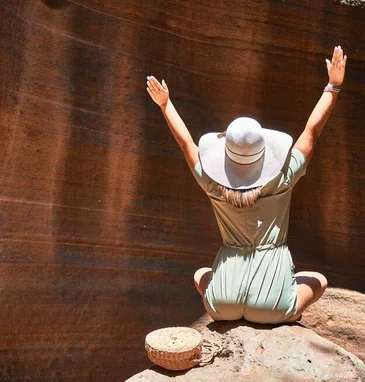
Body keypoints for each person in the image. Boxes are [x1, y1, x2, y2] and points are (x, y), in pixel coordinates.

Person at [146, 46, 347, 324]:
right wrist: (332, 87)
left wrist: (165, 105)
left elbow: (186, 144)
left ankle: (236, 302)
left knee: (200, 275)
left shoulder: (211, 182)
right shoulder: (283, 178)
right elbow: (311, 131)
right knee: (318, 280)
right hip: (272, 306)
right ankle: (288, 313)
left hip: (221, 303)